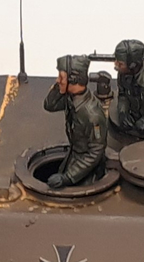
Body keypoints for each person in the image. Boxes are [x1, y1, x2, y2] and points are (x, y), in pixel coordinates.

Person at [42, 54, 109, 188]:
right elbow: (49, 105)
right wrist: (60, 87)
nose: (57, 80)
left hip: (87, 169)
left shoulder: (92, 115)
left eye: (61, 77)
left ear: (74, 79)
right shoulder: (72, 98)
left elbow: (96, 152)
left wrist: (68, 177)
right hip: (73, 156)